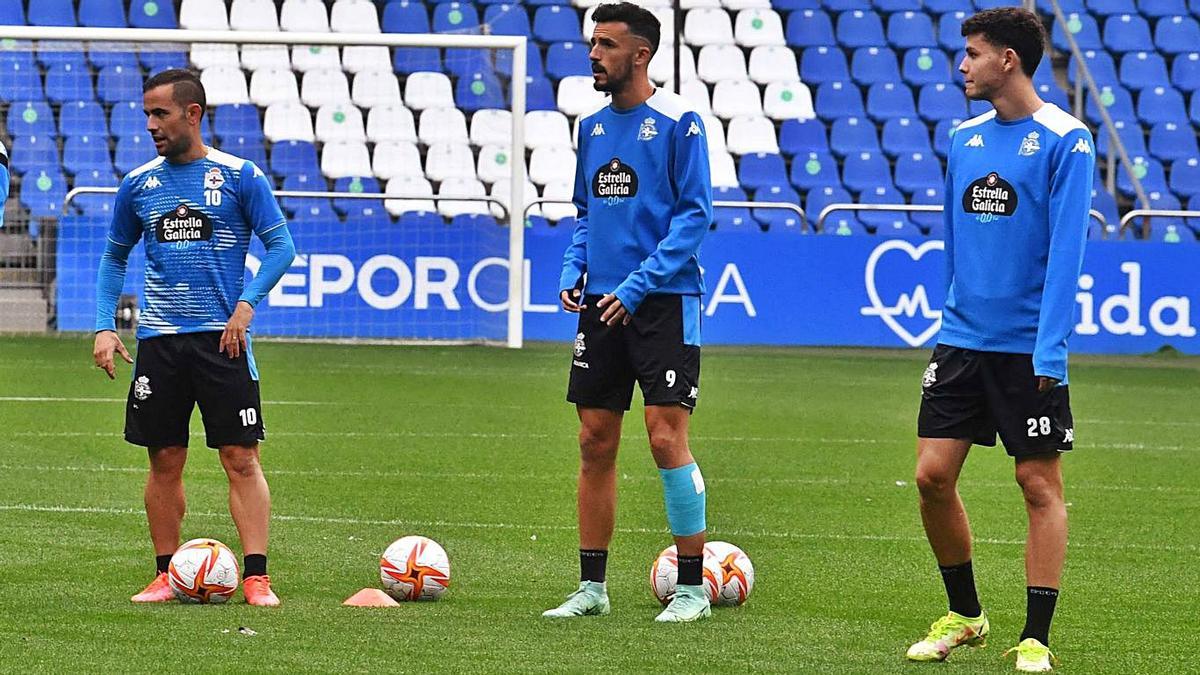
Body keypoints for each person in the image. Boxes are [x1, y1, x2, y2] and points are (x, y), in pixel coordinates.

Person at [904, 8, 1094, 673]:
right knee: (931, 476)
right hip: (962, 339)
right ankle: (966, 614)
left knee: (1036, 482)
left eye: (973, 54)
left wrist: (1051, 347)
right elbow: (953, 241)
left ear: (1008, 60)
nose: (963, 65)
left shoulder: (1067, 141)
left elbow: (1067, 253)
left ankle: (1036, 634)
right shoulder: (964, 138)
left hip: (1026, 346)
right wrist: (948, 316)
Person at [92, 69, 297, 607]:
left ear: (193, 114)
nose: (151, 125)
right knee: (163, 459)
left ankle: (256, 577)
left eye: (160, 114)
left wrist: (246, 307)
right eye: (147, 116)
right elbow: (115, 256)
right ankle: (166, 573)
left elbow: (281, 248)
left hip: (222, 340)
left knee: (240, 457)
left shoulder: (239, 175)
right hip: (160, 342)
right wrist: (103, 325)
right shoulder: (138, 185)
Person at [541, 2, 714, 623]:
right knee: (594, 441)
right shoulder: (589, 127)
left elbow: (694, 216)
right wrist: (572, 271)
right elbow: (587, 216)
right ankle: (592, 588)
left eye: (607, 44)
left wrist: (637, 286)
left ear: (640, 54)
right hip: (601, 304)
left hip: (663, 302)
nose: (594, 54)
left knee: (667, 438)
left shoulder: (680, 122)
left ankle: (692, 588)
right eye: (593, 43)